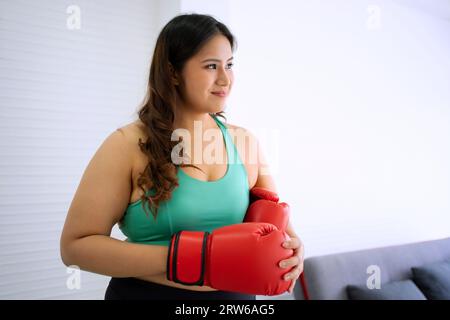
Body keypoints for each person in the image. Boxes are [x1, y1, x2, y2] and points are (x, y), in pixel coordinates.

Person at [60, 13, 304, 300]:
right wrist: (194, 258)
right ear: (173, 72)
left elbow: (280, 232)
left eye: (229, 65)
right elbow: (75, 248)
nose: (225, 79)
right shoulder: (126, 145)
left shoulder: (244, 142)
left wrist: (294, 249)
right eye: (211, 66)